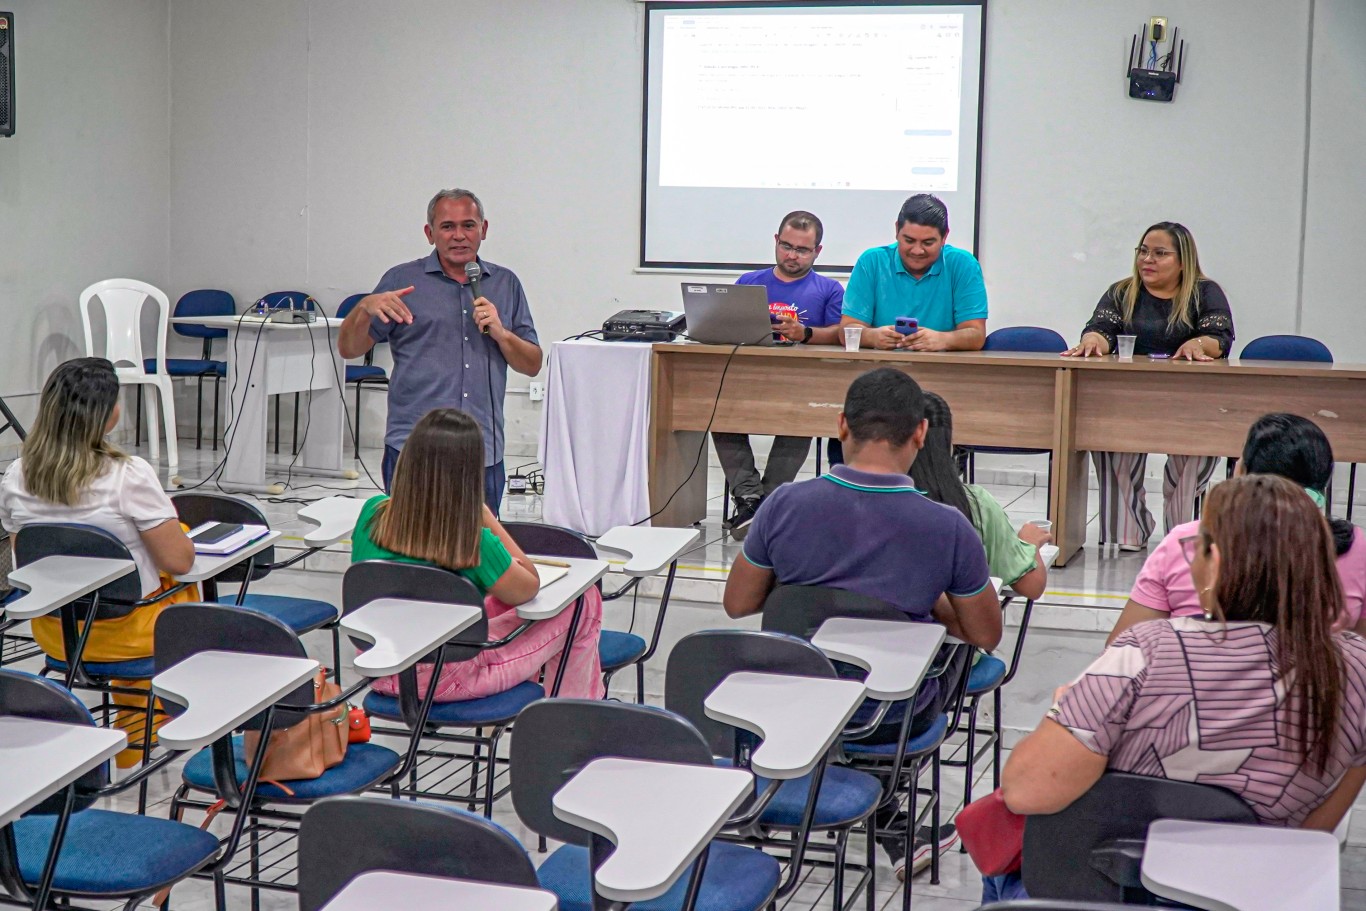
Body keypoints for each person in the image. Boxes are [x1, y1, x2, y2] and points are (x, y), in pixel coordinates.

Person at [987, 475, 1366, 902]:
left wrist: (1071, 712)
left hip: (1100, 894)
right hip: (1249, 895)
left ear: (1215, 560)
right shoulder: (1355, 671)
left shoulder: (1146, 651)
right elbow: (1315, 829)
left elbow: (1024, 791)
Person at [723, 367, 1001, 877]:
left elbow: (738, 603)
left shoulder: (784, 503)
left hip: (786, 704)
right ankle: (889, 815)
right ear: (921, 432)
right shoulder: (946, 525)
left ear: (841, 427)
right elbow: (985, 634)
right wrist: (930, 603)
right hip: (886, 719)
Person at [0, 358, 197, 767]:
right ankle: (143, 733)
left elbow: (27, 561)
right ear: (106, 416)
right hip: (129, 634)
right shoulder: (129, 474)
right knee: (178, 586)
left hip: (55, 634)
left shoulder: (17, 475)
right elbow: (179, 561)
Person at [350, 408, 603, 701]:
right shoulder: (472, 539)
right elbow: (530, 584)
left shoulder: (372, 512)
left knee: (493, 600)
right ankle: (574, 721)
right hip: (449, 678)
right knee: (584, 603)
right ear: (469, 474)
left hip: (380, 668)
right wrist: (486, 516)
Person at [338, 188, 542, 515]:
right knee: (410, 547)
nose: (458, 235)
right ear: (429, 233)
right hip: (414, 448)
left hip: (482, 449)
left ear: (484, 230)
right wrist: (363, 308)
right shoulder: (402, 280)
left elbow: (532, 364)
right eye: (447, 226)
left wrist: (502, 334)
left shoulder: (506, 284)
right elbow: (349, 348)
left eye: (468, 225)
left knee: (478, 553)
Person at [1107, 413, 1366, 645]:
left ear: (1241, 473)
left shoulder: (1188, 541)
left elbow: (1121, 649)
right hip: (1316, 694)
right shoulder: (1356, 547)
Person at [1063, 221, 1235, 549]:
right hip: (1127, 398)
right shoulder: (1122, 291)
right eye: (1143, 251)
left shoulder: (1205, 292)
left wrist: (1200, 344)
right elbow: (1101, 327)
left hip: (1190, 402)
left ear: (1183, 260)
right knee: (1110, 445)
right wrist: (1092, 340)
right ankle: (1128, 535)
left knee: (1190, 462)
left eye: (1159, 253)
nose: (1147, 260)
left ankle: (1180, 538)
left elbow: (1220, 338)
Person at [716, 210, 846, 537]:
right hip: (749, 379)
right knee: (714, 409)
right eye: (786, 246)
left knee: (801, 417)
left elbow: (840, 336)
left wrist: (805, 333)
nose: (792, 255)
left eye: (802, 250)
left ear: (818, 251)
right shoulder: (749, 283)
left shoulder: (829, 289)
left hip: (802, 385)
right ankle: (750, 497)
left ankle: (769, 499)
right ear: (776, 241)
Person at [913, 392, 1051, 600]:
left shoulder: (867, 503)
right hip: (956, 629)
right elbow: (1031, 586)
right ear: (948, 443)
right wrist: (1028, 545)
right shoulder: (975, 504)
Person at [840, 193, 988, 352]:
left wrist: (943, 339)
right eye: (909, 241)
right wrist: (873, 336)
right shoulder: (871, 262)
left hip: (942, 368)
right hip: (881, 367)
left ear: (944, 237)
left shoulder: (963, 265)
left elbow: (976, 335)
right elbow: (846, 331)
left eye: (928, 243)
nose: (917, 251)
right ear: (897, 230)